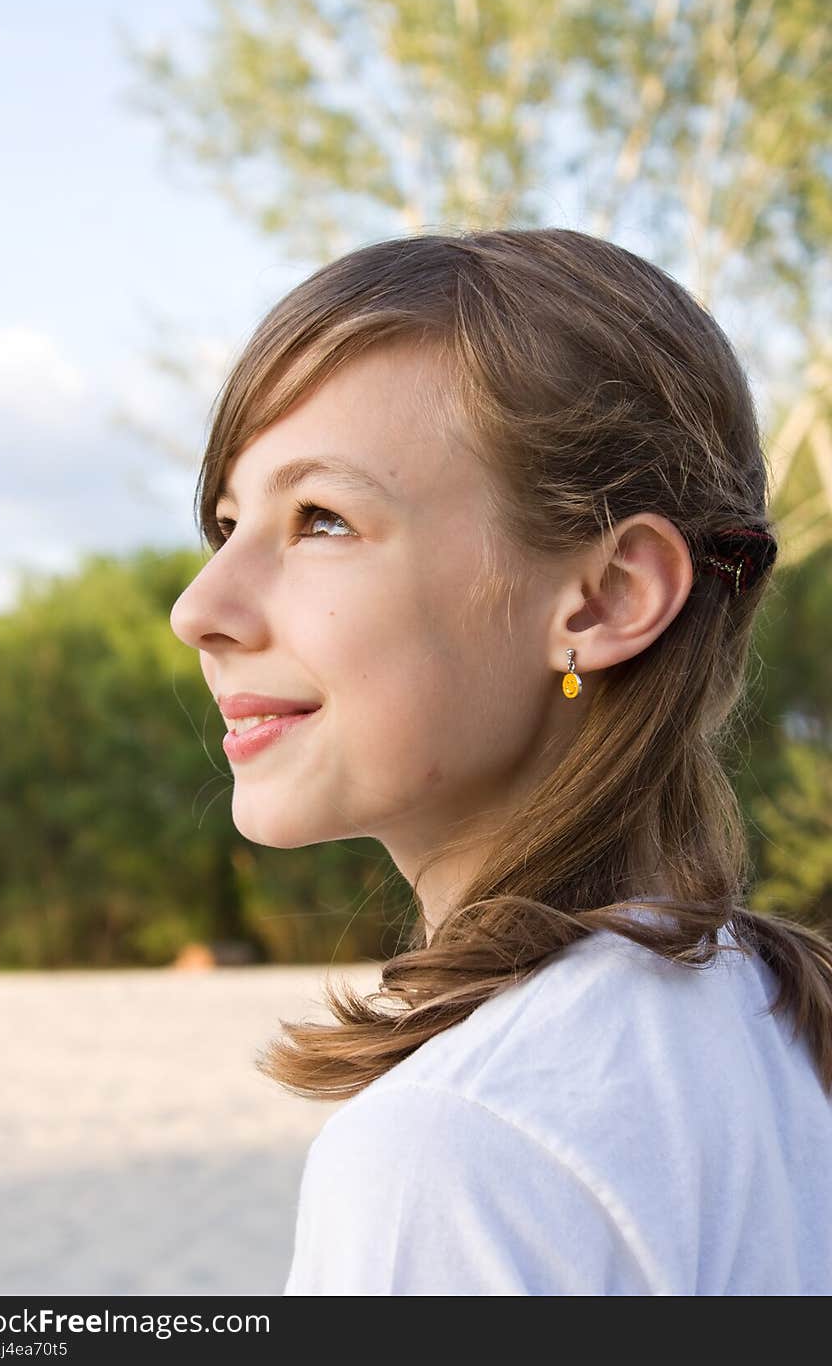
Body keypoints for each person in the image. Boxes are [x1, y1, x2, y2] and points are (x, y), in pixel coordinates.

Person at [169, 228, 832, 1295]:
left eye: (321, 518)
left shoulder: (460, 1146)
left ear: (609, 595)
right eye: (228, 523)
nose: (198, 609)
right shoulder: (778, 1030)